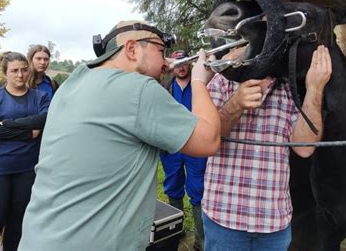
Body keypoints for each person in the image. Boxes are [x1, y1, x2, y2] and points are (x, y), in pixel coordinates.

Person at [18, 20, 221, 251]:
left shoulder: (72, 83)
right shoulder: (138, 88)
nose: (166, 63)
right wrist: (199, 80)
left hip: (39, 238)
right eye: (160, 51)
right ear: (132, 49)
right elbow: (209, 140)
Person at [202, 45, 332, 251]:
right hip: (224, 218)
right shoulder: (223, 81)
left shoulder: (288, 88)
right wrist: (236, 103)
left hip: (274, 223)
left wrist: (315, 89)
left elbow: (305, 147)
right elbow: (207, 136)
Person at [0, 51, 50, 251]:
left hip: (26, 167)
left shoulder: (40, 97)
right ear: (5, 73)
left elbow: (45, 119)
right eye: (14, 71)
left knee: (17, 224)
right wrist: (27, 134)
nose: (20, 75)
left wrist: (7, 123)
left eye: (24, 70)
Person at [160, 50, 207, 251]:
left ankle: (201, 240)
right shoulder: (164, 87)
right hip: (171, 147)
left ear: (191, 64)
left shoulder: (201, 85)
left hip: (195, 145)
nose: (181, 66)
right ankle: (175, 233)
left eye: (185, 62)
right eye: (177, 62)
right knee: (173, 187)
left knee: (197, 189)